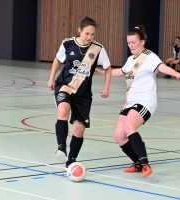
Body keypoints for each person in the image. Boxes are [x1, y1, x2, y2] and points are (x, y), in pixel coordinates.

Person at [109, 25, 180, 177]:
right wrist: (101, 72)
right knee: (119, 136)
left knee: (129, 127)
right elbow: (121, 71)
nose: (131, 45)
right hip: (130, 102)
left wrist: (177, 74)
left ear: (142, 42)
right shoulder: (131, 59)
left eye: (134, 42)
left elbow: (162, 67)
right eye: (129, 42)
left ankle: (145, 163)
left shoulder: (149, 57)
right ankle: (138, 163)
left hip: (144, 101)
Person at [48, 17, 112, 169]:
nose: (90, 37)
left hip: (83, 94)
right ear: (79, 30)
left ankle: (71, 160)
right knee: (63, 110)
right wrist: (51, 79)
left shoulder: (98, 48)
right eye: (87, 33)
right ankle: (61, 148)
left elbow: (108, 68)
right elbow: (57, 60)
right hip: (65, 85)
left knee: (79, 129)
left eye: (93, 34)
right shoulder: (67, 43)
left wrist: (107, 87)